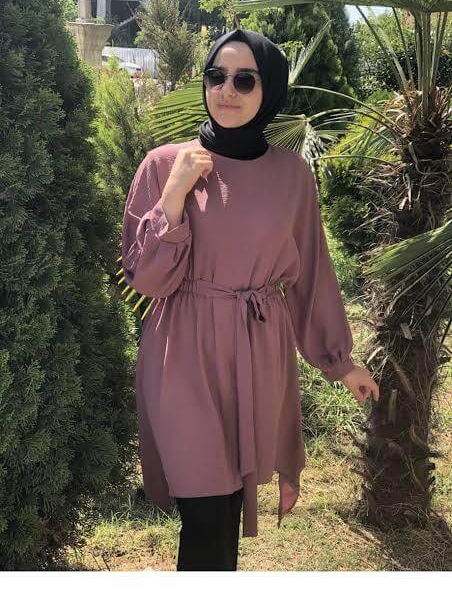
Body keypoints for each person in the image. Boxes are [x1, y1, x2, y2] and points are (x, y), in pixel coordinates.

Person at [121, 28, 380, 572]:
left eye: (245, 80)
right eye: (217, 76)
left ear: (270, 91)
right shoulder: (164, 163)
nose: (227, 90)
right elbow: (146, 278)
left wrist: (340, 362)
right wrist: (174, 195)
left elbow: (311, 274)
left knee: (228, 504)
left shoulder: (291, 176)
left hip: (257, 350)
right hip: (182, 354)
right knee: (205, 510)